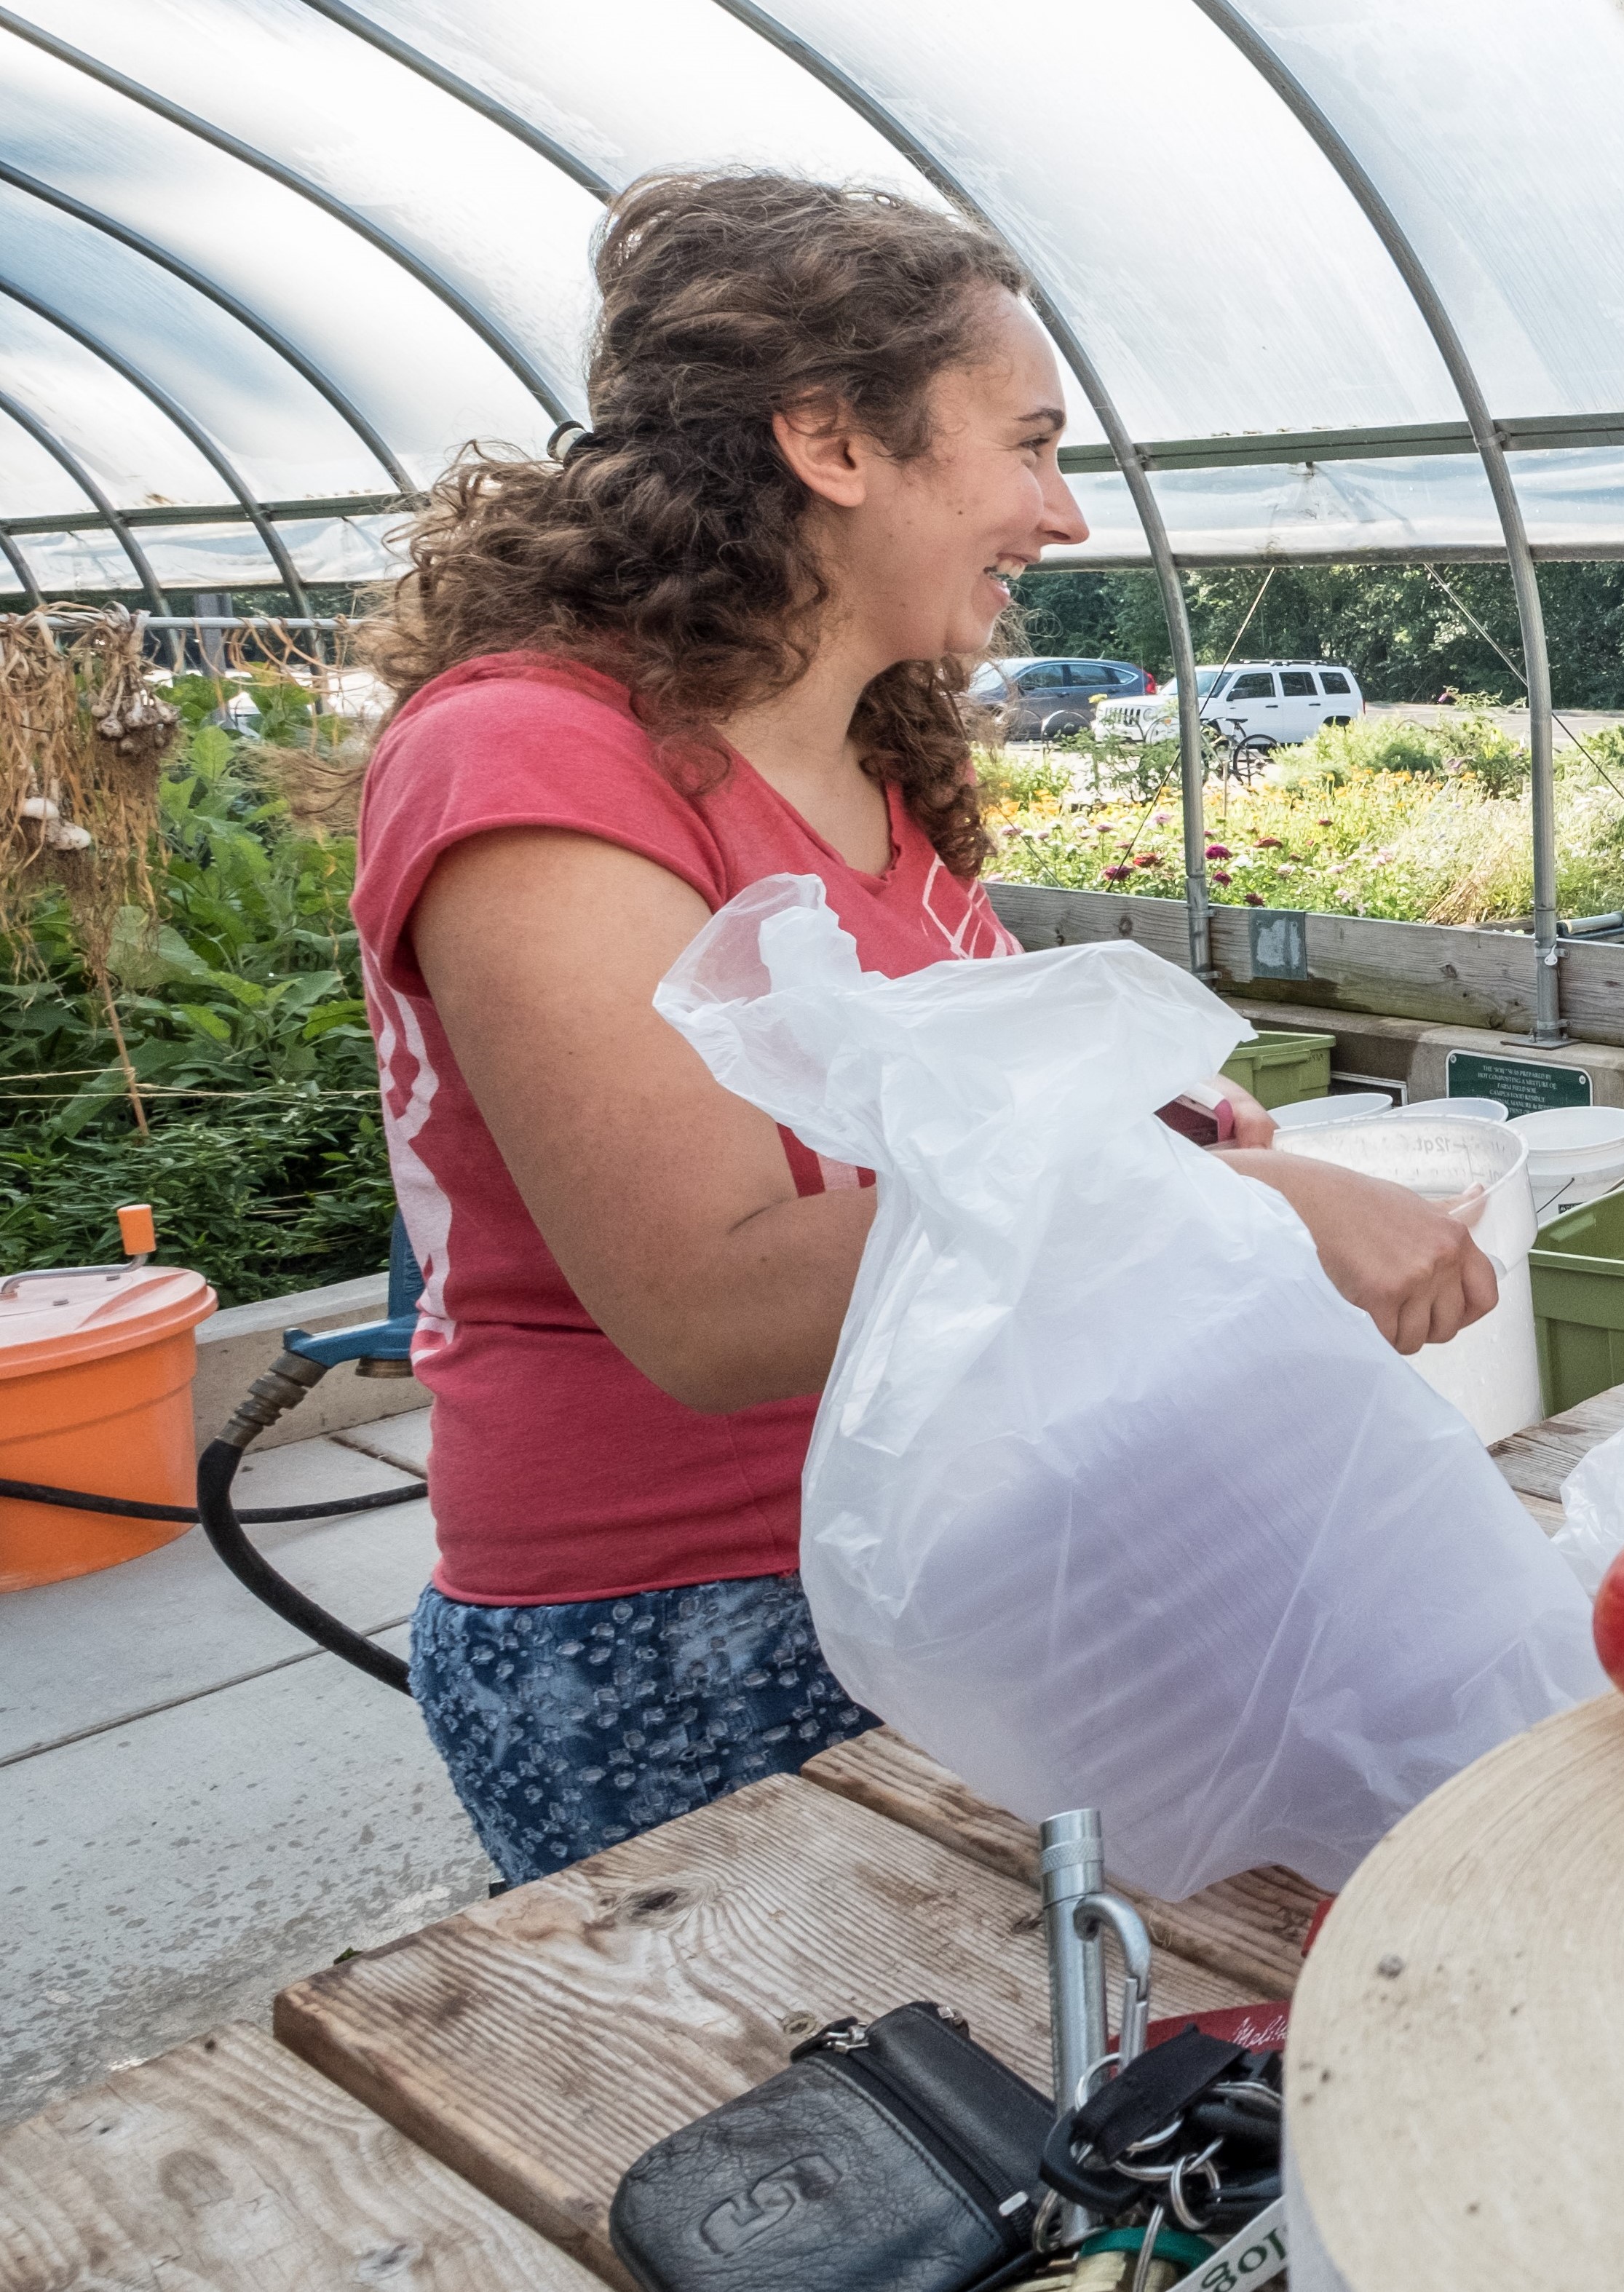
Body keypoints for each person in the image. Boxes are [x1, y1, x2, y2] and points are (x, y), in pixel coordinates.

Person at [354, 172, 1495, 1885]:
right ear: (832, 440)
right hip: (695, 1618)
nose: (1065, 515)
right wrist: (1248, 1208)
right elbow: (710, 1297)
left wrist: (1167, 1139)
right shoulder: (532, 758)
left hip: (946, 1549)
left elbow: (942, 1149)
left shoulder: (868, 764)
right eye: (1029, 446)